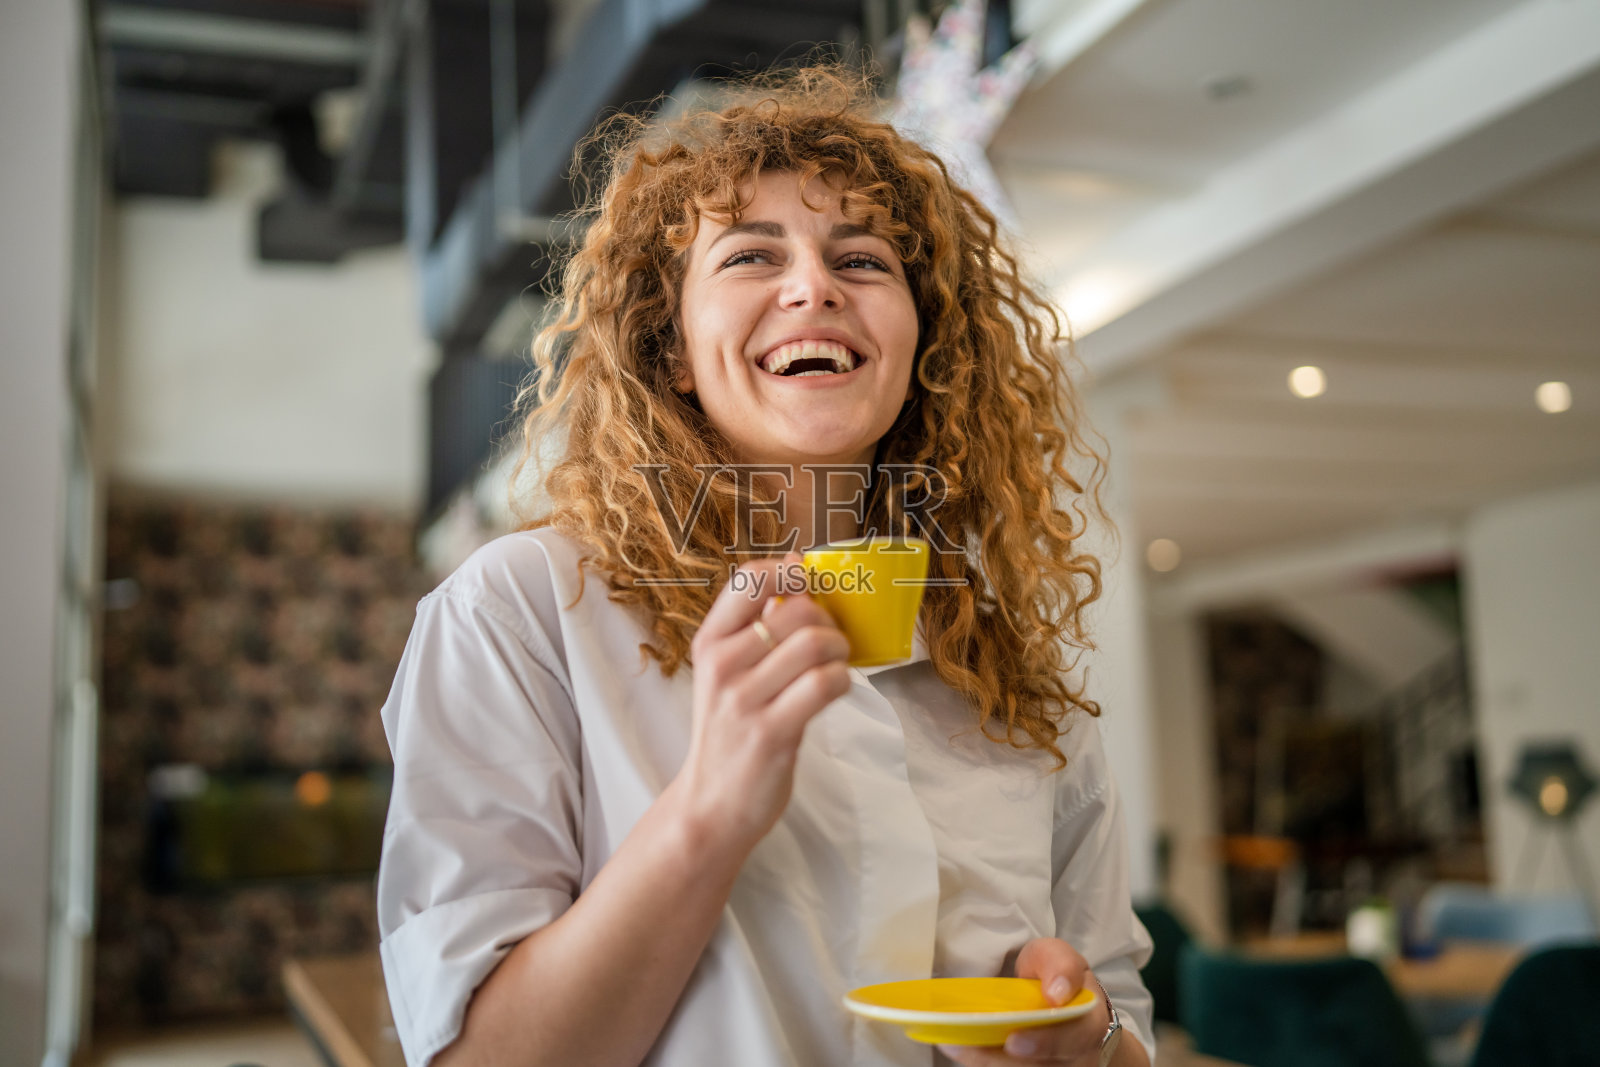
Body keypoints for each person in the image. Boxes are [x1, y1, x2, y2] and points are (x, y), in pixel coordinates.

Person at [376, 64, 1155, 1067]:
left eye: (863, 260)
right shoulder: (519, 613)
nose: (813, 285)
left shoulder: (1011, 677)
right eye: (750, 254)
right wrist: (710, 807)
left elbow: (1127, 1017)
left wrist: (1084, 1039)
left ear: (923, 343)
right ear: (672, 346)